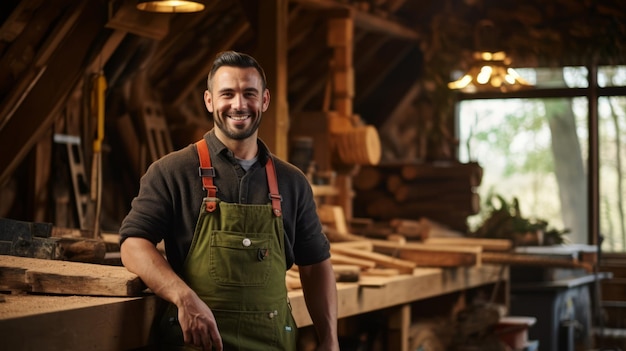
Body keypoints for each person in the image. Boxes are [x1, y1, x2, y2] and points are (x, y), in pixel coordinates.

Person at [119, 51, 339, 351]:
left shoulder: (292, 182)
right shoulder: (172, 171)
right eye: (227, 94)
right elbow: (133, 245)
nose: (239, 105)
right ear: (209, 101)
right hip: (195, 343)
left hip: (272, 343)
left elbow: (315, 265)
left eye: (249, 93)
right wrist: (184, 297)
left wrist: (329, 339)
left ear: (264, 100)